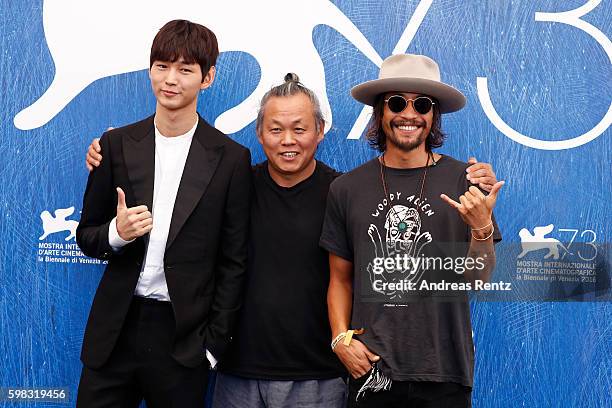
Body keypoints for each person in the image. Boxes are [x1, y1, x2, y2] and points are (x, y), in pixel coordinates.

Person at [85, 73, 498, 407]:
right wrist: (110, 153)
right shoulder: (234, 185)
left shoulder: (344, 189)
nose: (288, 140)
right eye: (276, 129)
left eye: (300, 128)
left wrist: (479, 224)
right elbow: (174, 195)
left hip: (323, 378)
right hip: (238, 375)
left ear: (320, 131)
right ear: (259, 135)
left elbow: (466, 275)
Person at [75, 20, 251, 407]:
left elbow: (234, 262)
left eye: (185, 69)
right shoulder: (115, 144)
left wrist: (212, 348)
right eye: (162, 66)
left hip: (183, 340)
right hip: (115, 333)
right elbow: (87, 235)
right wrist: (117, 234)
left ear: (207, 78)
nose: (171, 79)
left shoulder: (231, 159)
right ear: (150, 69)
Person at [320, 54, 503, 407]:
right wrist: (340, 339)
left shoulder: (465, 183)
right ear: (380, 112)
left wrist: (481, 229)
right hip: (370, 371)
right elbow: (340, 279)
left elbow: (478, 279)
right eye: (397, 103)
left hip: (445, 371)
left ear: (433, 116)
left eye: (421, 104)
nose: (409, 114)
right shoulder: (347, 189)